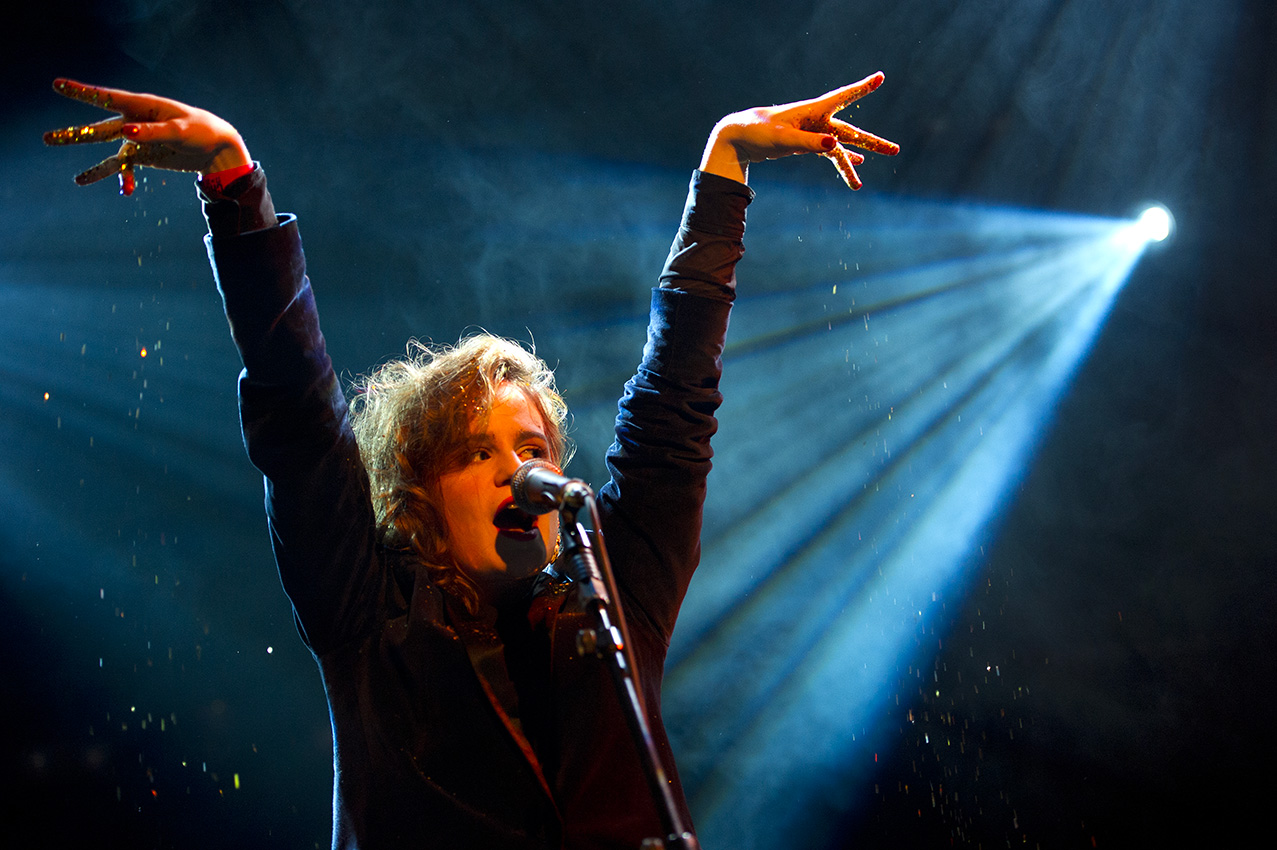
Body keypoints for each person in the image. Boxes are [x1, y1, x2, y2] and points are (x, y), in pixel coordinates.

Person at [45, 75, 897, 849]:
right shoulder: (367, 612)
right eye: (475, 453)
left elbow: (672, 410)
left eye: (532, 449)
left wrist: (726, 163)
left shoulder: (614, 591)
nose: (514, 471)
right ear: (420, 489)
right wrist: (234, 184)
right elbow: (298, 413)